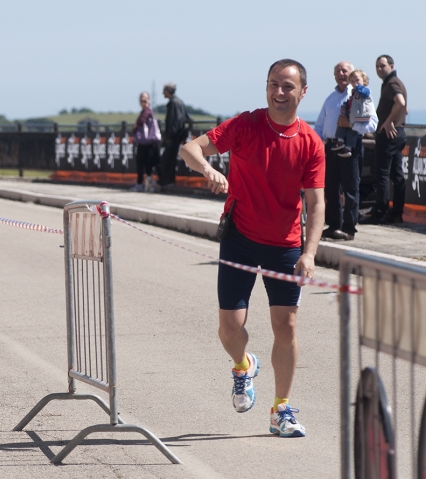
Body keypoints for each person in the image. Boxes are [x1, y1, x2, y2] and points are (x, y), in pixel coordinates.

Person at [179, 59, 325, 438]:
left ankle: (281, 410)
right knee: (230, 329)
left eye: (288, 86)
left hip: (285, 245)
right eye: (273, 84)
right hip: (240, 239)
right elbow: (189, 149)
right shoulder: (245, 125)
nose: (279, 92)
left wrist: (309, 253)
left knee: (286, 324)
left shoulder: (310, 142)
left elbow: (317, 203)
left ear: (303, 92)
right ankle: (243, 366)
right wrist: (208, 170)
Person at [315, 62, 377, 241]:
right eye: (337, 71)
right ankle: (333, 226)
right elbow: (319, 126)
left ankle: (349, 228)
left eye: (345, 71)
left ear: (352, 75)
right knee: (331, 188)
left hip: (352, 144)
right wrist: (316, 146)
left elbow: (372, 123)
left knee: (351, 188)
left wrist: (350, 124)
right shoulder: (330, 99)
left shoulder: (360, 94)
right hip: (331, 147)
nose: (341, 74)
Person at [360, 55, 408, 224]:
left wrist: (388, 121)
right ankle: (396, 213)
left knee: (382, 174)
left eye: (382, 66)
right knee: (397, 175)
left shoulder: (392, 83)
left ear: (391, 65)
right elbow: (405, 108)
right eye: (377, 66)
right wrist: (397, 118)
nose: (379, 69)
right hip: (398, 132)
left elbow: (400, 103)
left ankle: (380, 212)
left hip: (389, 135)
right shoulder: (395, 82)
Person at [332, 70, 376, 158]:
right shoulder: (353, 93)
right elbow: (350, 102)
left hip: (360, 115)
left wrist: (358, 87)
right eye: (352, 81)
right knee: (341, 122)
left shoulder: (365, 91)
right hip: (352, 114)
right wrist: (344, 106)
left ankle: (348, 147)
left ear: (364, 81)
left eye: (357, 80)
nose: (355, 83)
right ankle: (340, 140)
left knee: (353, 131)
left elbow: (365, 94)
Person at [158, 83, 190, 190]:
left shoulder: (173, 102)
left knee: (166, 160)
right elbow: (186, 117)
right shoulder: (180, 102)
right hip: (179, 135)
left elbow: (172, 121)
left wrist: (168, 136)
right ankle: (169, 181)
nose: (163, 93)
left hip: (173, 136)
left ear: (167, 91)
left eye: (164, 91)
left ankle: (166, 181)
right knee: (171, 159)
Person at [131, 91, 160, 192]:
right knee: (144, 164)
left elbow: (141, 121)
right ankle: (145, 184)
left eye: (145, 98)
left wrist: (134, 126)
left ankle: (144, 184)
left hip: (148, 142)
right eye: (141, 98)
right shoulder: (145, 110)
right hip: (145, 142)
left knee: (146, 164)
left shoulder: (147, 110)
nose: (143, 100)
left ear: (149, 100)